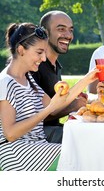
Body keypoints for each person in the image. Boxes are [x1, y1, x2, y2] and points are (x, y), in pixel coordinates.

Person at [0, 23, 98, 171]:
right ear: (21, 50)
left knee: (86, 152)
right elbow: (11, 134)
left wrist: (87, 79)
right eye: (39, 52)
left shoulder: (28, 79)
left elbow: (57, 105)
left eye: (44, 52)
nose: (44, 58)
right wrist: (49, 108)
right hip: (16, 153)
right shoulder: (5, 82)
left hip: (38, 146)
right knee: (81, 157)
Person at [31, 11, 88, 143]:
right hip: (38, 137)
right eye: (61, 29)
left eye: (70, 30)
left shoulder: (56, 66)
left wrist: (75, 102)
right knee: (90, 139)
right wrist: (72, 106)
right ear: (45, 32)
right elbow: (32, 118)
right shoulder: (35, 66)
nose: (68, 35)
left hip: (55, 130)